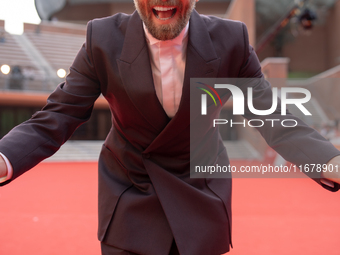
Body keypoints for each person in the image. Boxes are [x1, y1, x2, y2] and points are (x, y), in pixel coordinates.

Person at [1, 0, 340, 254]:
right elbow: (57, 117)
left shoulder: (231, 39)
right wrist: (4, 157)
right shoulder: (101, 38)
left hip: (201, 193)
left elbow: (271, 116)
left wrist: (330, 161)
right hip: (130, 193)